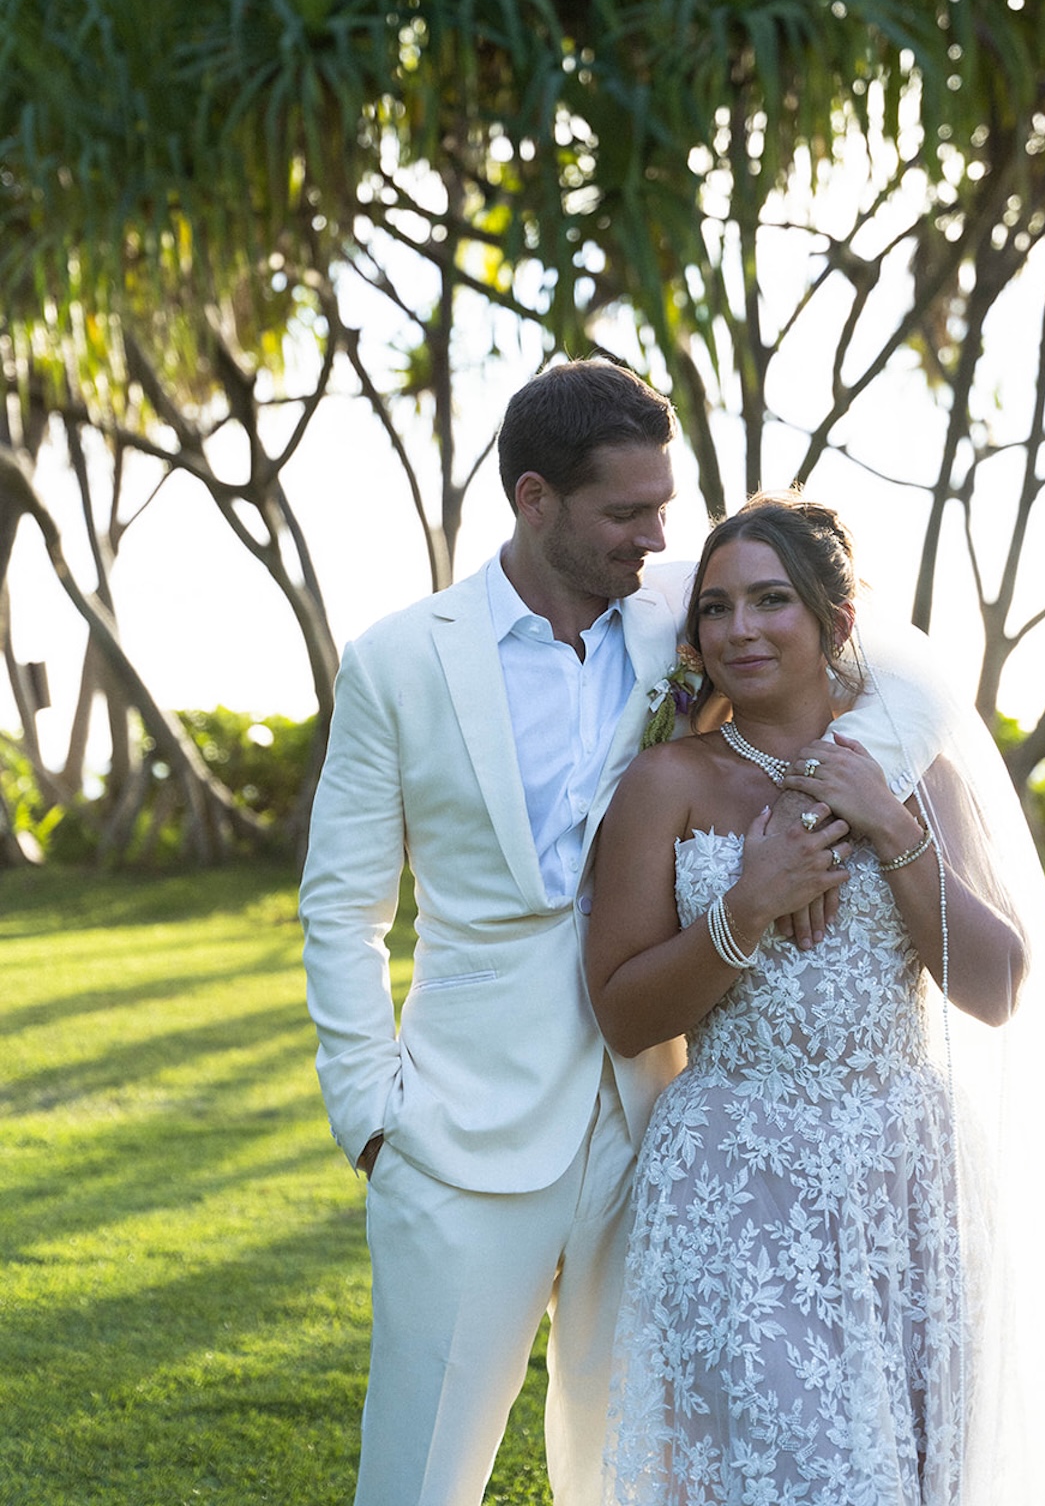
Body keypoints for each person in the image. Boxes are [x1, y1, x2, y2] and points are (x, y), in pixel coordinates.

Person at [298, 362, 831, 1506]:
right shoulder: (399, 660)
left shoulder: (678, 612)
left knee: (629, 1469)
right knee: (419, 1478)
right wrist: (369, 1118)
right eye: (625, 513)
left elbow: (875, 668)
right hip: (454, 1131)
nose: (655, 535)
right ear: (535, 499)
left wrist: (822, 802)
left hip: (656, 1121)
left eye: (662, 506)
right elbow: (343, 906)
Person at [587, 493, 1045, 1506]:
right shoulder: (665, 783)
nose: (738, 629)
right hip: (735, 1174)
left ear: (835, 621)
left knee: (903, 1475)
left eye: (770, 600)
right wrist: (745, 909)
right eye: (714, 608)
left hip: (902, 1176)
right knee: (783, 1473)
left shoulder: (916, 776)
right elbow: (623, 1012)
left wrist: (887, 825)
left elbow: (993, 988)